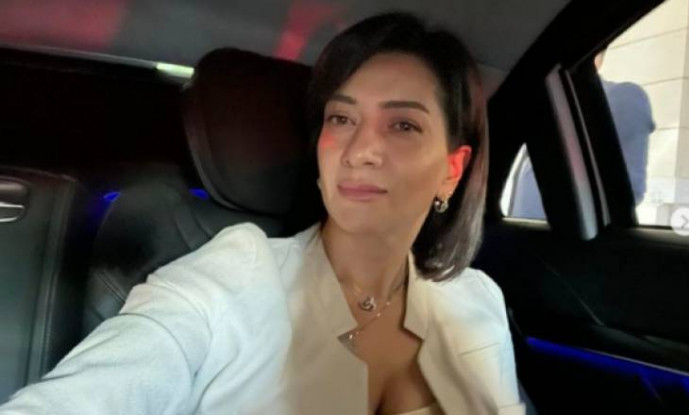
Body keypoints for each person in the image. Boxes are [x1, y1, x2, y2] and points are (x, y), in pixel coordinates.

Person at [0, 13, 524, 415]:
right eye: (341, 118)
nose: (361, 149)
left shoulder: (477, 300)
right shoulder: (232, 280)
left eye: (403, 125)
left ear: (451, 171)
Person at [510, 49, 654, 219]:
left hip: (566, 232)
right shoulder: (541, 107)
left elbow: (625, 190)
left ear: (596, 57)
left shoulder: (620, 97)